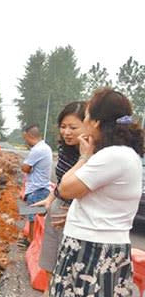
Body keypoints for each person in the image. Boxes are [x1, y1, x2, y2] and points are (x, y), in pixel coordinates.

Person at [32, 88, 144, 297]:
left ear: (96, 120)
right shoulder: (117, 154)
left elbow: (66, 188)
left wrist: (83, 156)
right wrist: (77, 215)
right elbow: (98, 200)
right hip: (88, 246)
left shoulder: (112, 156)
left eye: (88, 116)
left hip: (95, 253)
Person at [33, 101, 85, 278]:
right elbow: (62, 182)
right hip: (57, 211)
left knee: (65, 275)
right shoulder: (65, 150)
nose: (67, 132)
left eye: (73, 127)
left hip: (73, 219)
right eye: (63, 126)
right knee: (49, 268)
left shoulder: (93, 157)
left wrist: (74, 210)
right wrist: (50, 198)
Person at [21, 125, 53, 245]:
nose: (25, 141)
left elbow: (25, 168)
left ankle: (32, 244)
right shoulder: (45, 147)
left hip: (37, 190)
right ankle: (31, 241)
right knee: (34, 217)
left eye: (25, 138)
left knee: (34, 219)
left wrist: (26, 167)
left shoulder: (37, 150)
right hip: (40, 188)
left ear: (29, 136)